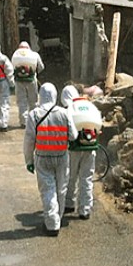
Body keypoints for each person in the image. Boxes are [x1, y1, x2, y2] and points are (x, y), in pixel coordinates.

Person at [24, 83, 76, 236]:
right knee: (61, 189)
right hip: (61, 157)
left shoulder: (34, 115)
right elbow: (73, 135)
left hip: (42, 157)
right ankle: (56, 219)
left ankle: (52, 224)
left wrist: (29, 161)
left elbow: (28, 140)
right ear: (55, 96)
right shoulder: (64, 113)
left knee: (48, 190)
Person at [61, 85, 98, 220]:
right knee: (86, 179)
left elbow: (69, 133)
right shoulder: (90, 105)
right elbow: (98, 127)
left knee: (70, 177)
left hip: (74, 149)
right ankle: (85, 210)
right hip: (91, 148)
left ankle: (69, 204)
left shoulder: (69, 110)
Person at [11, 41, 44, 124]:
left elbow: (12, 68)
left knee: (22, 102)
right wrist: (35, 73)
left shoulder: (15, 55)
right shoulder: (34, 54)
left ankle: (24, 122)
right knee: (33, 102)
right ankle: (34, 120)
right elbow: (41, 67)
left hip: (19, 82)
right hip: (32, 81)